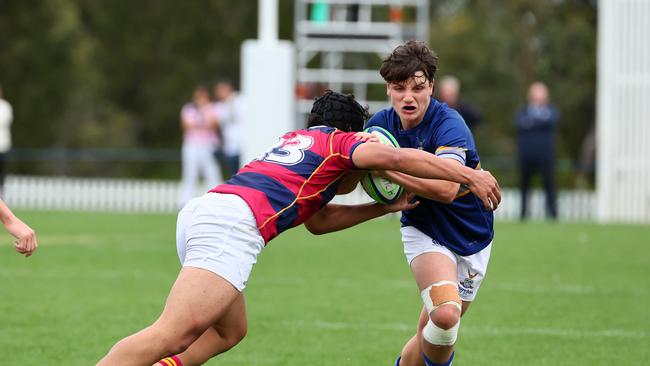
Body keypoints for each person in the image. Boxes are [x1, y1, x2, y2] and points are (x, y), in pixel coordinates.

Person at [96, 90, 501, 366]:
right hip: (235, 228)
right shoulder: (342, 144)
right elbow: (401, 160)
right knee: (172, 333)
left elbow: (319, 223)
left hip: (205, 212)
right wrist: (468, 176)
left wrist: (383, 208)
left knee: (230, 330)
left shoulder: (298, 140)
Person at [364, 40, 495, 366]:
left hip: (472, 231)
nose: (409, 96)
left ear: (431, 87)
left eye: (418, 87)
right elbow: (358, 175)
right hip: (423, 227)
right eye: (399, 87)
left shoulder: (449, 123)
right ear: (388, 90)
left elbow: (447, 189)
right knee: (447, 314)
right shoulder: (378, 129)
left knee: (433, 328)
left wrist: (390, 172)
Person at [515, 81, 559, 220]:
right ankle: (523, 215)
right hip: (526, 155)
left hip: (545, 155)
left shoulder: (551, 111)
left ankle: (552, 214)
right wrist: (538, 122)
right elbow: (519, 124)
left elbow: (552, 121)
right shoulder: (523, 111)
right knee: (524, 186)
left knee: (549, 185)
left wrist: (532, 122)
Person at [178, 85, 222, 207]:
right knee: (190, 172)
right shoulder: (189, 108)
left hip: (208, 145)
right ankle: (185, 201)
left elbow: (214, 124)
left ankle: (215, 200)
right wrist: (201, 123)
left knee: (212, 172)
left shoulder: (212, 108)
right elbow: (186, 125)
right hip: (191, 144)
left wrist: (202, 114)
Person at [212, 80, 244, 179]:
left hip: (243, 144)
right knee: (234, 176)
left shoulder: (240, 100)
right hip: (230, 146)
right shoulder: (220, 106)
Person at [0, 84, 12, 194]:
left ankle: (2, 194)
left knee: (1, 171)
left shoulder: (6, 107)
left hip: (2, 145)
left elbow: (3, 122)